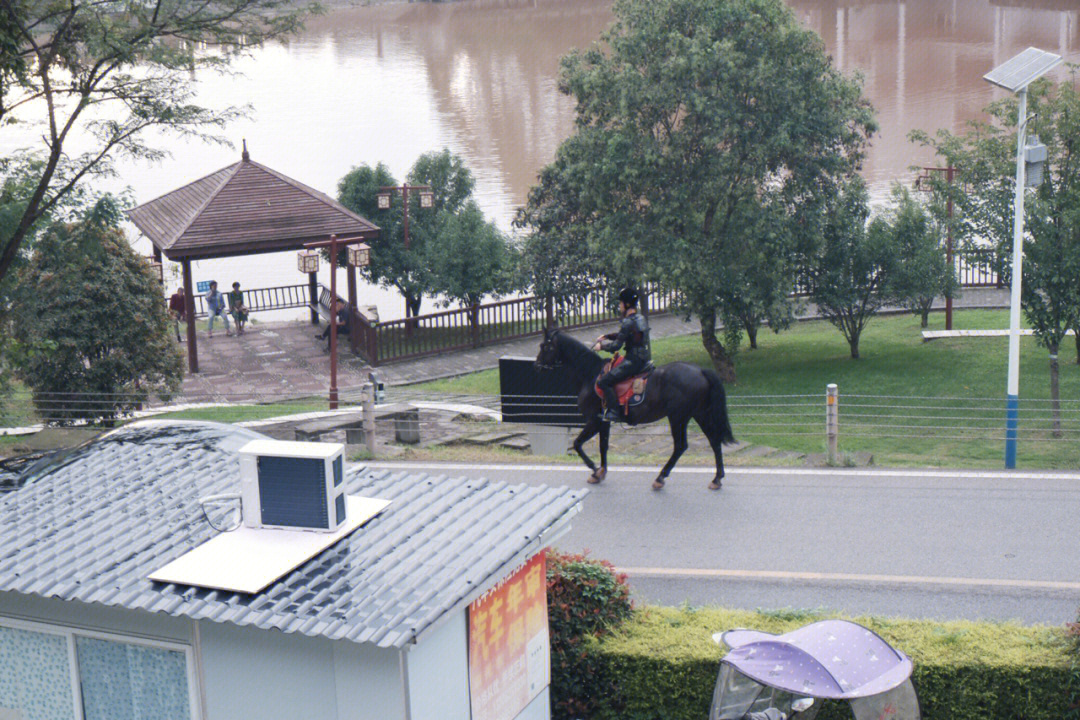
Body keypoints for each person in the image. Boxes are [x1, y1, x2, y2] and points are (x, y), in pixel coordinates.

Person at [592, 287, 650, 423]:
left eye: (620, 303)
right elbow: (623, 335)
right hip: (643, 357)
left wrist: (601, 346)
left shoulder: (628, 321)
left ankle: (614, 412)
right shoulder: (640, 318)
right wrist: (606, 336)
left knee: (604, 381)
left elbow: (616, 346)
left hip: (633, 361)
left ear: (627, 304)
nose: (619, 306)